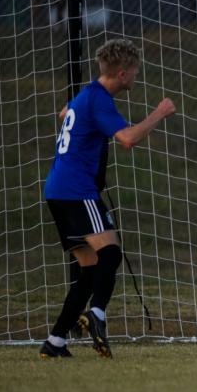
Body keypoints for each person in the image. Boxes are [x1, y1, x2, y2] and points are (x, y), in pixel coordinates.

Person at [39, 39, 175, 358]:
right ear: (123, 74)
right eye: (136, 73)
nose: (137, 77)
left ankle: (55, 342)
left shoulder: (87, 94)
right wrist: (159, 113)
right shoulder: (97, 100)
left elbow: (65, 113)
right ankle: (96, 315)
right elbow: (127, 138)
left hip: (57, 189)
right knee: (110, 255)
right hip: (77, 190)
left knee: (89, 272)